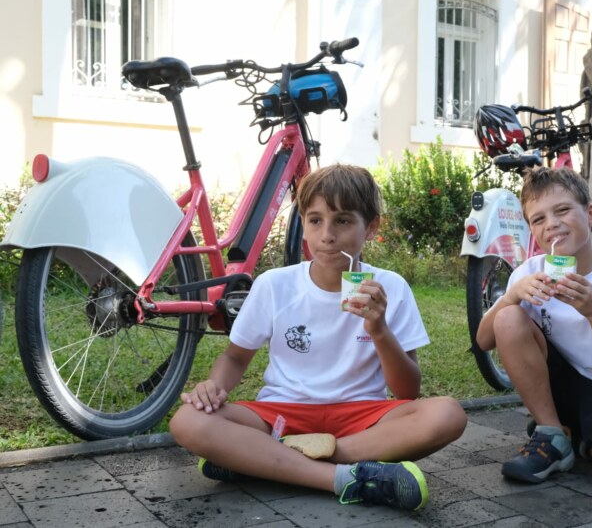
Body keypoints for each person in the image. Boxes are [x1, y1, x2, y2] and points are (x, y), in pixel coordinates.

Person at [170, 163, 467, 511]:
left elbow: (407, 392)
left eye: (342, 220)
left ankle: (260, 460)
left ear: (371, 227)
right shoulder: (275, 285)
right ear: (304, 225)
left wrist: (379, 330)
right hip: (281, 413)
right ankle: (342, 478)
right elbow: (235, 357)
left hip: (361, 418)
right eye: (315, 220)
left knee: (448, 414)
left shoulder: (392, 288)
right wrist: (213, 387)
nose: (327, 235)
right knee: (188, 420)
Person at [475, 166, 592, 491]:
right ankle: (551, 433)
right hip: (553, 388)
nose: (552, 224)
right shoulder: (529, 273)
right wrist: (511, 297)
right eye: (539, 219)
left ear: (590, 215)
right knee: (508, 317)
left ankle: (580, 444)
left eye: (562, 210)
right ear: (532, 230)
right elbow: (484, 339)